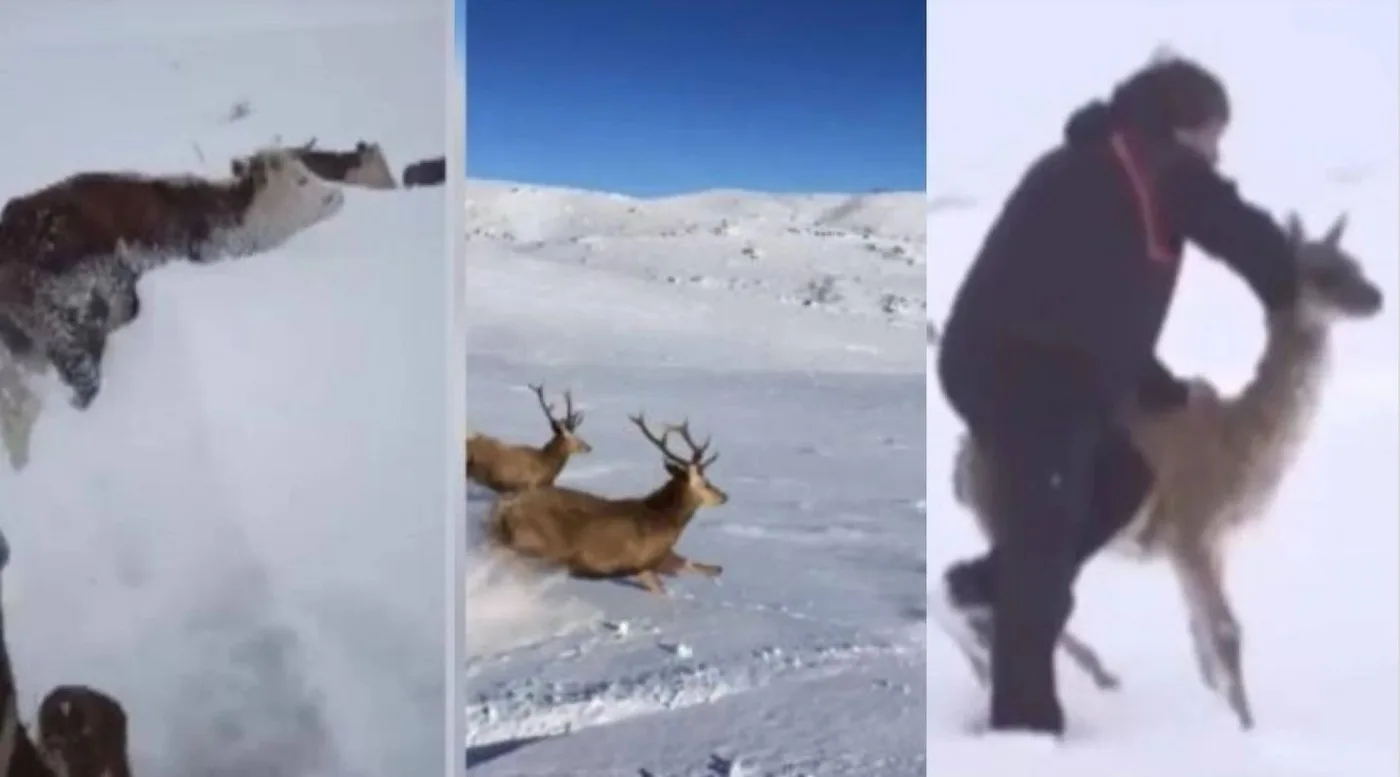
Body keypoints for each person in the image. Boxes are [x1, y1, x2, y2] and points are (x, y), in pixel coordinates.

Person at [935, 54, 1302, 736]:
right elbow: (1229, 223)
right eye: (1213, 135)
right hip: (1015, 369)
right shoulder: (1139, 163)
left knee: (1124, 478)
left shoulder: (1111, 172)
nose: (1217, 154)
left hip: (1052, 365)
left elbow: (1100, 312)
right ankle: (1024, 734)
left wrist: (1162, 390)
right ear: (1181, 127)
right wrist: (1292, 282)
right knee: (1044, 537)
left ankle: (980, 591)